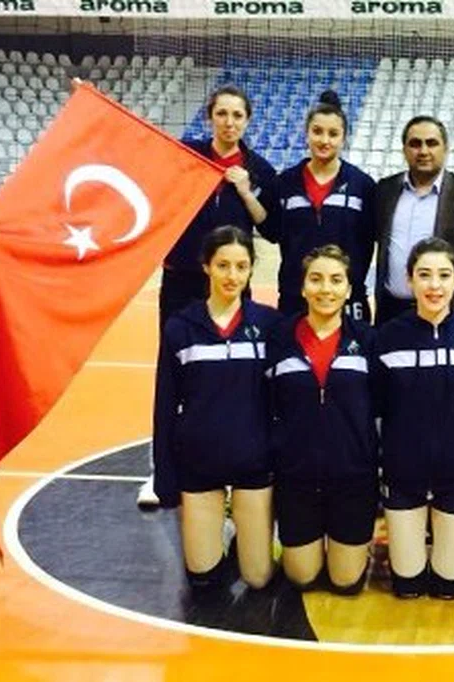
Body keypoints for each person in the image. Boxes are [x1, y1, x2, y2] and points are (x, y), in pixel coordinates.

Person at [139, 85, 278, 510]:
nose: (229, 122)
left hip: (232, 283)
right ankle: (161, 468)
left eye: (237, 115)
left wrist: (245, 190)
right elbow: (147, 177)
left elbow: (271, 228)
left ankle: (239, 464)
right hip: (183, 282)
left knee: (236, 376)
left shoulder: (259, 169)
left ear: (247, 121)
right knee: (174, 378)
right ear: (209, 117)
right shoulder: (187, 157)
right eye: (222, 114)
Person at [152, 226, 279, 593]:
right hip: (199, 464)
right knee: (204, 582)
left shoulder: (269, 326)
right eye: (223, 265)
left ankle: (248, 534)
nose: (232, 276)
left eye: (241, 266)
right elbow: (164, 406)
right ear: (206, 266)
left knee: (257, 579)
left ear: (252, 269)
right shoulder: (181, 328)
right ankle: (217, 532)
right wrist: (165, 477)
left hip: (254, 463)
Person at [373, 237, 454, 599]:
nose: (434, 285)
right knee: (407, 587)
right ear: (410, 280)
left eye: (444, 275)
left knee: (448, 587)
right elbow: (377, 403)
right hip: (402, 473)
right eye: (424, 275)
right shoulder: (387, 337)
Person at [265, 245, 378, 594]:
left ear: (349, 289)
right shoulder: (279, 339)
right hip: (297, 479)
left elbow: (383, 406)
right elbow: (265, 405)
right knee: (302, 578)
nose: (326, 289)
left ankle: (355, 548)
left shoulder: (368, 340)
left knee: (345, 581)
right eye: (316, 280)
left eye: (336, 280)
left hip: (353, 479)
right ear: (302, 288)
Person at [265, 91, 376, 323]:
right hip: (295, 297)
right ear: (306, 133)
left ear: (344, 138)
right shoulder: (284, 183)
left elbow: (370, 239)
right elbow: (271, 231)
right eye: (317, 131)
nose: (325, 140)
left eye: (333, 134)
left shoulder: (362, 185)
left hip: (347, 298)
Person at [373, 116, 454, 327]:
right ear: (404, 150)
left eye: (432, 143)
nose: (423, 151)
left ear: (446, 148)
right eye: (415, 144)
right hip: (391, 312)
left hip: (446, 315)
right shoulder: (384, 190)